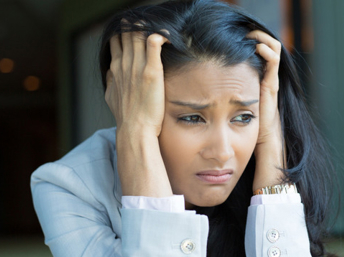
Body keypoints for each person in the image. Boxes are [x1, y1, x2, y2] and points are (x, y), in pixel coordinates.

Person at [31, 0, 336, 256]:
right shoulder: (69, 186)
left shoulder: (269, 156)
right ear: (133, 102)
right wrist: (136, 133)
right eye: (192, 118)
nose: (222, 152)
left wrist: (270, 143)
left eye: (242, 117)